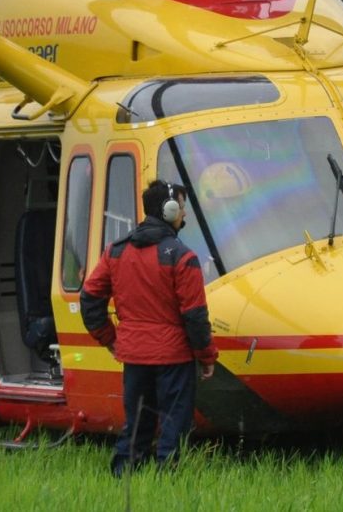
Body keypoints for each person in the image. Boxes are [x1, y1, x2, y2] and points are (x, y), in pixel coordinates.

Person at [80, 180, 218, 475]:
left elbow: (90, 298)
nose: (185, 215)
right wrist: (207, 357)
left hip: (134, 356)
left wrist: (110, 339)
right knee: (173, 422)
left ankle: (123, 475)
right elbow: (195, 316)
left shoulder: (115, 252)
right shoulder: (184, 258)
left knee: (138, 421)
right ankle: (167, 481)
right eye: (182, 208)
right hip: (174, 358)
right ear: (169, 211)